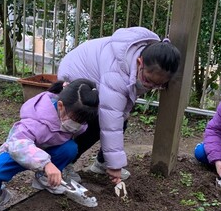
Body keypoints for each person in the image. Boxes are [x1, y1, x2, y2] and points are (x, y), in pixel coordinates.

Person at [56, 27, 181, 185]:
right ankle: (63, 165)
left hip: (97, 80)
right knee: (97, 123)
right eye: (148, 81)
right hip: (75, 79)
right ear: (139, 62)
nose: (150, 87)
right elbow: (110, 121)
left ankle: (102, 163)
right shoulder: (116, 73)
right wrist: (115, 166)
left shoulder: (142, 62)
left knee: (121, 119)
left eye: (158, 85)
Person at [0, 79, 99, 211]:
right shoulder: (37, 119)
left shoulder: (74, 116)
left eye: (82, 121)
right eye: (76, 120)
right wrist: (46, 164)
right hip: (22, 152)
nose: (78, 125)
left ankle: (44, 177)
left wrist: (47, 166)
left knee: (70, 148)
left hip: (47, 152)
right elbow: (17, 144)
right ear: (60, 106)